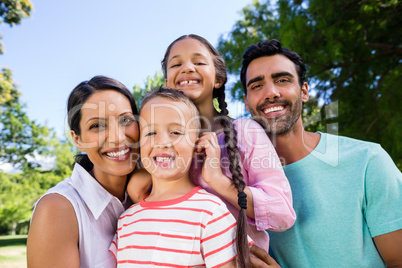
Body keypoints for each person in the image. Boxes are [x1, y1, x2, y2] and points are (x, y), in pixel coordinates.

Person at [240, 39, 402, 267]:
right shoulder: (239, 184)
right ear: (247, 102)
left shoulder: (367, 160)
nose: (271, 92)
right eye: (256, 86)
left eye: (282, 80)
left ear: (304, 91)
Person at [158, 35, 296, 259]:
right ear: (167, 83)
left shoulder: (245, 132)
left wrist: (220, 182)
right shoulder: (159, 145)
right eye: (176, 64)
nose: (187, 68)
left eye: (199, 62)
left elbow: (282, 213)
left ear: (218, 79)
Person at [110, 88, 247, 267]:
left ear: (197, 143)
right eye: (150, 133)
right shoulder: (125, 221)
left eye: (176, 132)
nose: (163, 142)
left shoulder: (211, 212)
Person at [26, 76, 140, 267]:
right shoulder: (58, 208)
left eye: (126, 120)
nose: (117, 137)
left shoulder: (150, 193)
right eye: (97, 126)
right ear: (77, 139)